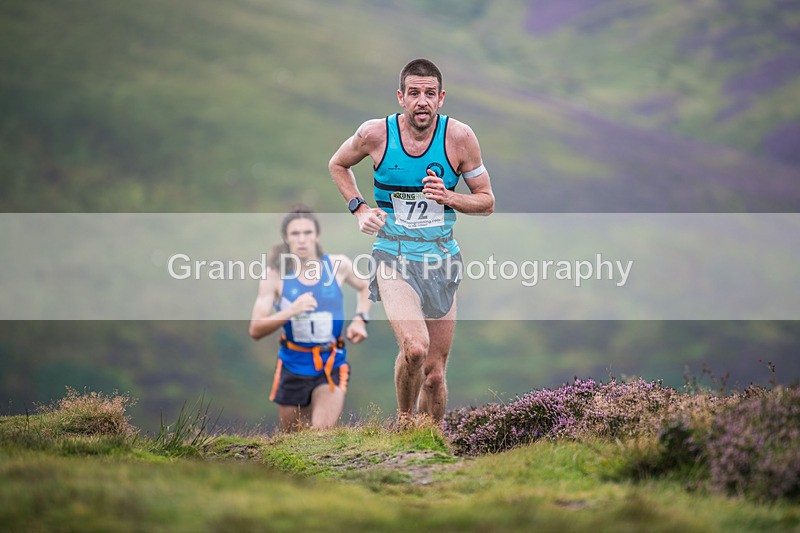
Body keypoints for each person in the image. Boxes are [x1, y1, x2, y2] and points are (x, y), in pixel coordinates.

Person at [328, 58, 495, 424]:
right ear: (401, 97)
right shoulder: (375, 134)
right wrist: (358, 208)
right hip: (393, 256)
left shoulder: (459, 138)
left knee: (434, 374)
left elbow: (486, 201)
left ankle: (428, 444)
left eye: (430, 94)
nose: (422, 101)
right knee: (416, 349)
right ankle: (405, 424)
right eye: (415, 93)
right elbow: (337, 164)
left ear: (441, 98)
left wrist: (450, 197)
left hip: (441, 259)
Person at [249, 207, 372, 431]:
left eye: (307, 232)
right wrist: (290, 311)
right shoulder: (275, 276)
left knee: (320, 436)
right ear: (286, 238)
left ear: (317, 235)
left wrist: (360, 319)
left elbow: (366, 287)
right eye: (295, 234)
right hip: (292, 364)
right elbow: (256, 329)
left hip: (331, 362)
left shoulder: (337, 265)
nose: (302, 239)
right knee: (294, 441)